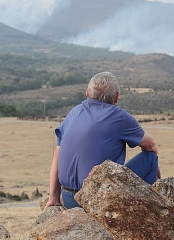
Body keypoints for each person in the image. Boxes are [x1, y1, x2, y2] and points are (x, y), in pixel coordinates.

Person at [44, 72, 160, 210]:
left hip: (68, 198)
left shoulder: (74, 112)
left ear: (87, 93)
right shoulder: (120, 117)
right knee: (151, 158)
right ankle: (144, 213)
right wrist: (155, 168)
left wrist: (53, 197)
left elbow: (58, 153)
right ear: (116, 97)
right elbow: (151, 145)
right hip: (98, 199)